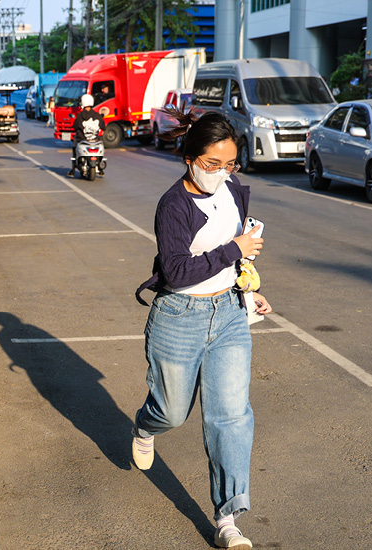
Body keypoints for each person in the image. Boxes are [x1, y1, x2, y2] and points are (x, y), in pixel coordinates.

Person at [131, 108, 271, 549]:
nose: (222, 173)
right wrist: (233, 249)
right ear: (190, 157)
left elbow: (240, 256)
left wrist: (247, 290)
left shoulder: (232, 190)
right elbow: (175, 271)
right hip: (179, 317)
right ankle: (145, 426)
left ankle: (228, 518)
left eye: (229, 164)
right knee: (173, 411)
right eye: (212, 164)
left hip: (229, 314)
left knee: (231, 417)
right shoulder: (173, 205)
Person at [67, 93, 105, 177]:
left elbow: (75, 127)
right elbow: (103, 127)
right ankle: (101, 169)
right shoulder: (97, 115)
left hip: (82, 140)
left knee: (74, 147)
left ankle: (73, 169)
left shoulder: (80, 116)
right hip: (95, 140)